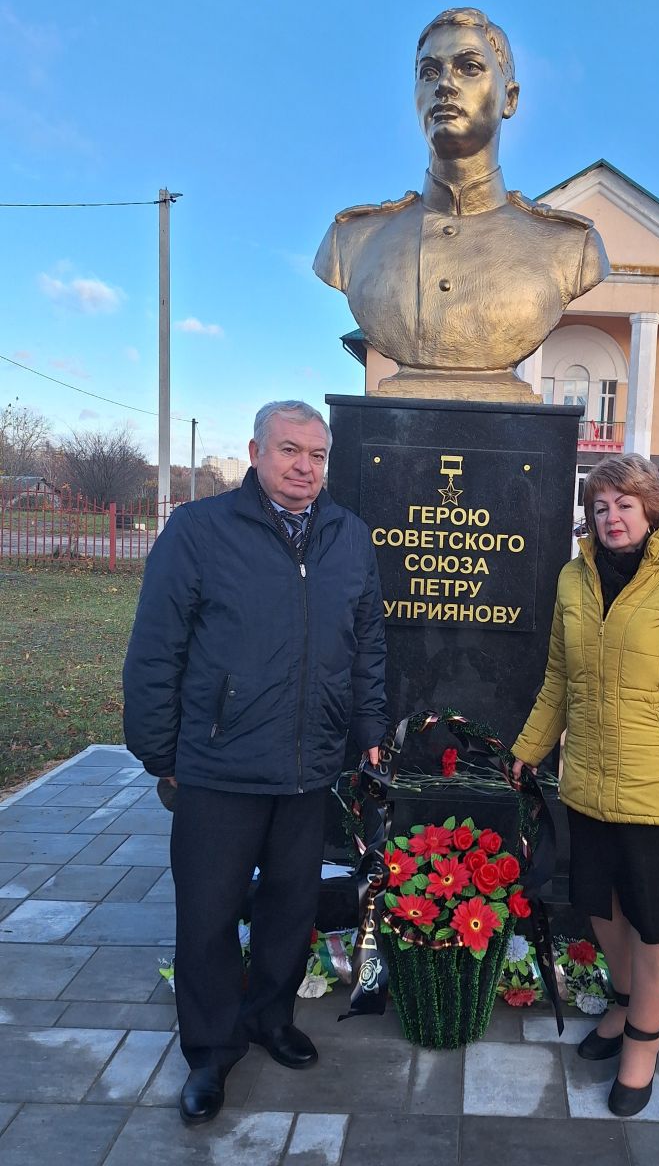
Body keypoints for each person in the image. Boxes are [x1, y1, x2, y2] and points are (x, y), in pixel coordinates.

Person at [123, 400, 386, 1125]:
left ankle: (271, 1017)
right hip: (219, 765)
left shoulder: (347, 536)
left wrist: (366, 725)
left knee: (289, 906)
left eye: (317, 455)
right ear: (256, 452)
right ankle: (210, 1053)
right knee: (207, 915)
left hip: (309, 768)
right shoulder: (200, 531)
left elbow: (367, 645)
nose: (305, 467)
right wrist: (158, 751)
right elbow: (156, 649)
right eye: (289, 451)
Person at [512, 453, 659, 1117]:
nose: (610, 517)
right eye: (599, 506)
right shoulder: (573, 578)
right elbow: (560, 678)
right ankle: (623, 1004)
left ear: (652, 508)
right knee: (600, 907)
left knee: (655, 921)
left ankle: (643, 1041)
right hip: (589, 777)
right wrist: (529, 750)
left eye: (624, 504)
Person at [313, 7, 608, 399]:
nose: (444, 86)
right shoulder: (352, 241)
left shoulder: (569, 248)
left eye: (468, 67)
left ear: (510, 98)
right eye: (429, 72)